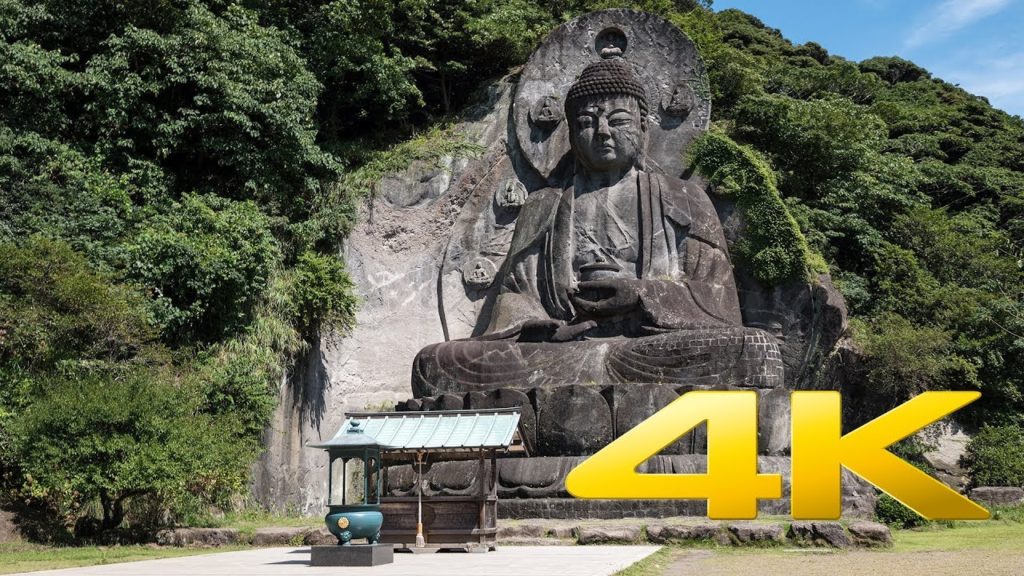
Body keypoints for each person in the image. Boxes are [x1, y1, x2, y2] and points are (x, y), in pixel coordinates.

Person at [412, 57, 782, 396]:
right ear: (572, 132)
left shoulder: (684, 197)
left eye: (618, 121)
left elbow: (719, 304)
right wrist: (542, 327)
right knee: (436, 362)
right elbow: (516, 295)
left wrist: (642, 296)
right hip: (561, 352)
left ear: (642, 127)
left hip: (650, 346)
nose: (602, 132)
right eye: (587, 123)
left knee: (753, 349)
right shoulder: (544, 203)